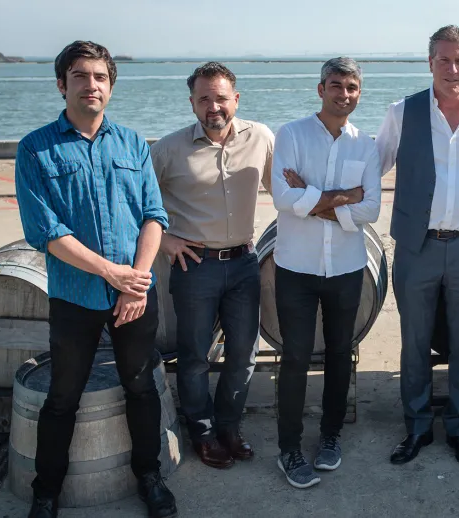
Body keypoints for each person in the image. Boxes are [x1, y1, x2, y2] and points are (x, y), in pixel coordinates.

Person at [14, 41, 177, 518]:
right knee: (63, 397)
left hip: (134, 295)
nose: (92, 85)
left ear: (110, 86)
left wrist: (137, 279)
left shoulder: (132, 144)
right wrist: (113, 274)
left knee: (141, 387)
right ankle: (47, 492)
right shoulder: (36, 149)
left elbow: (153, 215)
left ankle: (149, 477)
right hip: (75, 296)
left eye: (101, 77)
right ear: (62, 84)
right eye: (81, 76)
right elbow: (45, 232)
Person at [376, 25, 459, 468]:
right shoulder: (402, 112)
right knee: (414, 342)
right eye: (444, 59)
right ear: (430, 63)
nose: (453, 68)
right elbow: (371, 169)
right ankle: (415, 428)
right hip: (417, 246)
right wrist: (321, 194)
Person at [151, 62, 273, 469]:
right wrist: (165, 240)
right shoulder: (168, 150)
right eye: (204, 98)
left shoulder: (261, 138)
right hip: (194, 267)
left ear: (235, 99)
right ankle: (201, 431)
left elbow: (285, 190)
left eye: (221, 97)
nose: (213, 106)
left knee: (244, 353)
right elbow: (136, 204)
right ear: (192, 103)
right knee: (195, 356)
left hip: (244, 263)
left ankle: (228, 427)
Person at [271, 57, 382, 488]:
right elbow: (283, 196)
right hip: (295, 267)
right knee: (295, 358)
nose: (344, 94)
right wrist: (343, 198)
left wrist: (312, 199)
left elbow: (371, 208)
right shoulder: (292, 134)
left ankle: (331, 437)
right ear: (321, 89)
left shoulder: (365, 145)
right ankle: (289, 449)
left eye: (352, 87)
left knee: (340, 355)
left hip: (347, 268)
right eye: (336, 85)